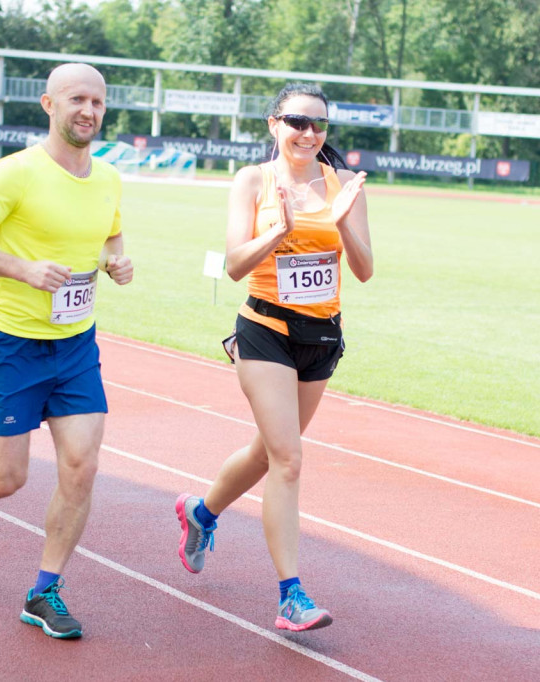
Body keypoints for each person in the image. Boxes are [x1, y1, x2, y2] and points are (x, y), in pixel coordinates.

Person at [0, 62, 133, 640]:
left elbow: (110, 232)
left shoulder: (109, 178)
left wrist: (116, 260)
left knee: (81, 465)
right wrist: (22, 269)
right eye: (76, 99)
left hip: (75, 344)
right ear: (48, 104)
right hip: (12, 344)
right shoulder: (15, 173)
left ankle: (44, 592)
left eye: (96, 102)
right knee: (6, 478)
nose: (88, 111)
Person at [175, 83, 372, 633]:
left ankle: (200, 512)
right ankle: (291, 596)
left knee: (268, 453)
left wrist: (340, 221)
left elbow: (365, 269)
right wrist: (279, 231)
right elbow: (236, 263)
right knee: (290, 458)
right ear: (273, 124)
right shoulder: (253, 181)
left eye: (319, 125)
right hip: (263, 329)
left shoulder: (343, 186)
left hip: (321, 336)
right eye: (297, 121)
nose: (308, 133)